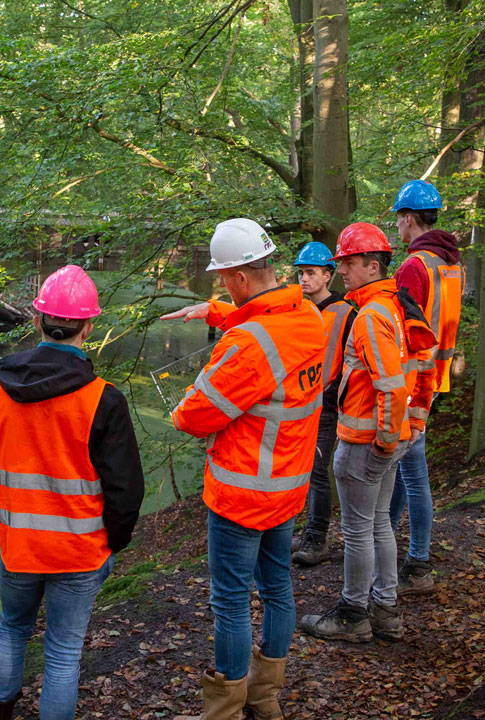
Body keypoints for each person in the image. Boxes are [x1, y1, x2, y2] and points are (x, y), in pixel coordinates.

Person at [0, 264, 145, 720]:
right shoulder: (104, 398)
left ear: (38, 320)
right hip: (80, 551)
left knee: (13, 629)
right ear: (88, 325)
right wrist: (111, 544)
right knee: (63, 652)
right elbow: (125, 491)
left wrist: (8, 516)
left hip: (18, 545)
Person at [161, 218, 326, 720]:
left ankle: (224, 710)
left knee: (231, 601)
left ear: (237, 277)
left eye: (222, 281)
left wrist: (183, 401)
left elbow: (193, 416)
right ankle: (265, 696)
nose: (222, 287)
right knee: (277, 588)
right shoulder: (310, 320)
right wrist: (215, 313)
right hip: (288, 488)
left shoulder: (247, 346)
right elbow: (264, 321)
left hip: (241, 496)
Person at [298, 223, 436, 644]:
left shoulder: (372, 316)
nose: (341, 272)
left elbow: (392, 385)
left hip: (365, 444)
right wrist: (414, 427)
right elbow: (426, 367)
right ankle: (386, 610)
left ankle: (353, 614)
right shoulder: (400, 304)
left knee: (360, 531)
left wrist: (386, 442)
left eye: (348, 264)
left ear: (372, 265)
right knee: (379, 526)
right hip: (389, 439)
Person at [388, 179, 466, 596]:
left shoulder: (414, 267)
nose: (396, 230)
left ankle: (417, 564)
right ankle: (386, 537)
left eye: (397, 220)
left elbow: (403, 330)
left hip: (413, 380)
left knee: (414, 473)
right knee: (405, 466)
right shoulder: (453, 264)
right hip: (437, 375)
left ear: (408, 218)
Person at [289, 242, 356, 567]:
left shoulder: (345, 311)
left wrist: (334, 394)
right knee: (301, 468)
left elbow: (351, 359)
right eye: (301, 272)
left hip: (327, 405)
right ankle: (306, 532)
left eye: (311, 273)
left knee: (317, 471)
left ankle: (317, 538)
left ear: (328, 275)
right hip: (300, 402)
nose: (304, 279)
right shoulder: (299, 310)